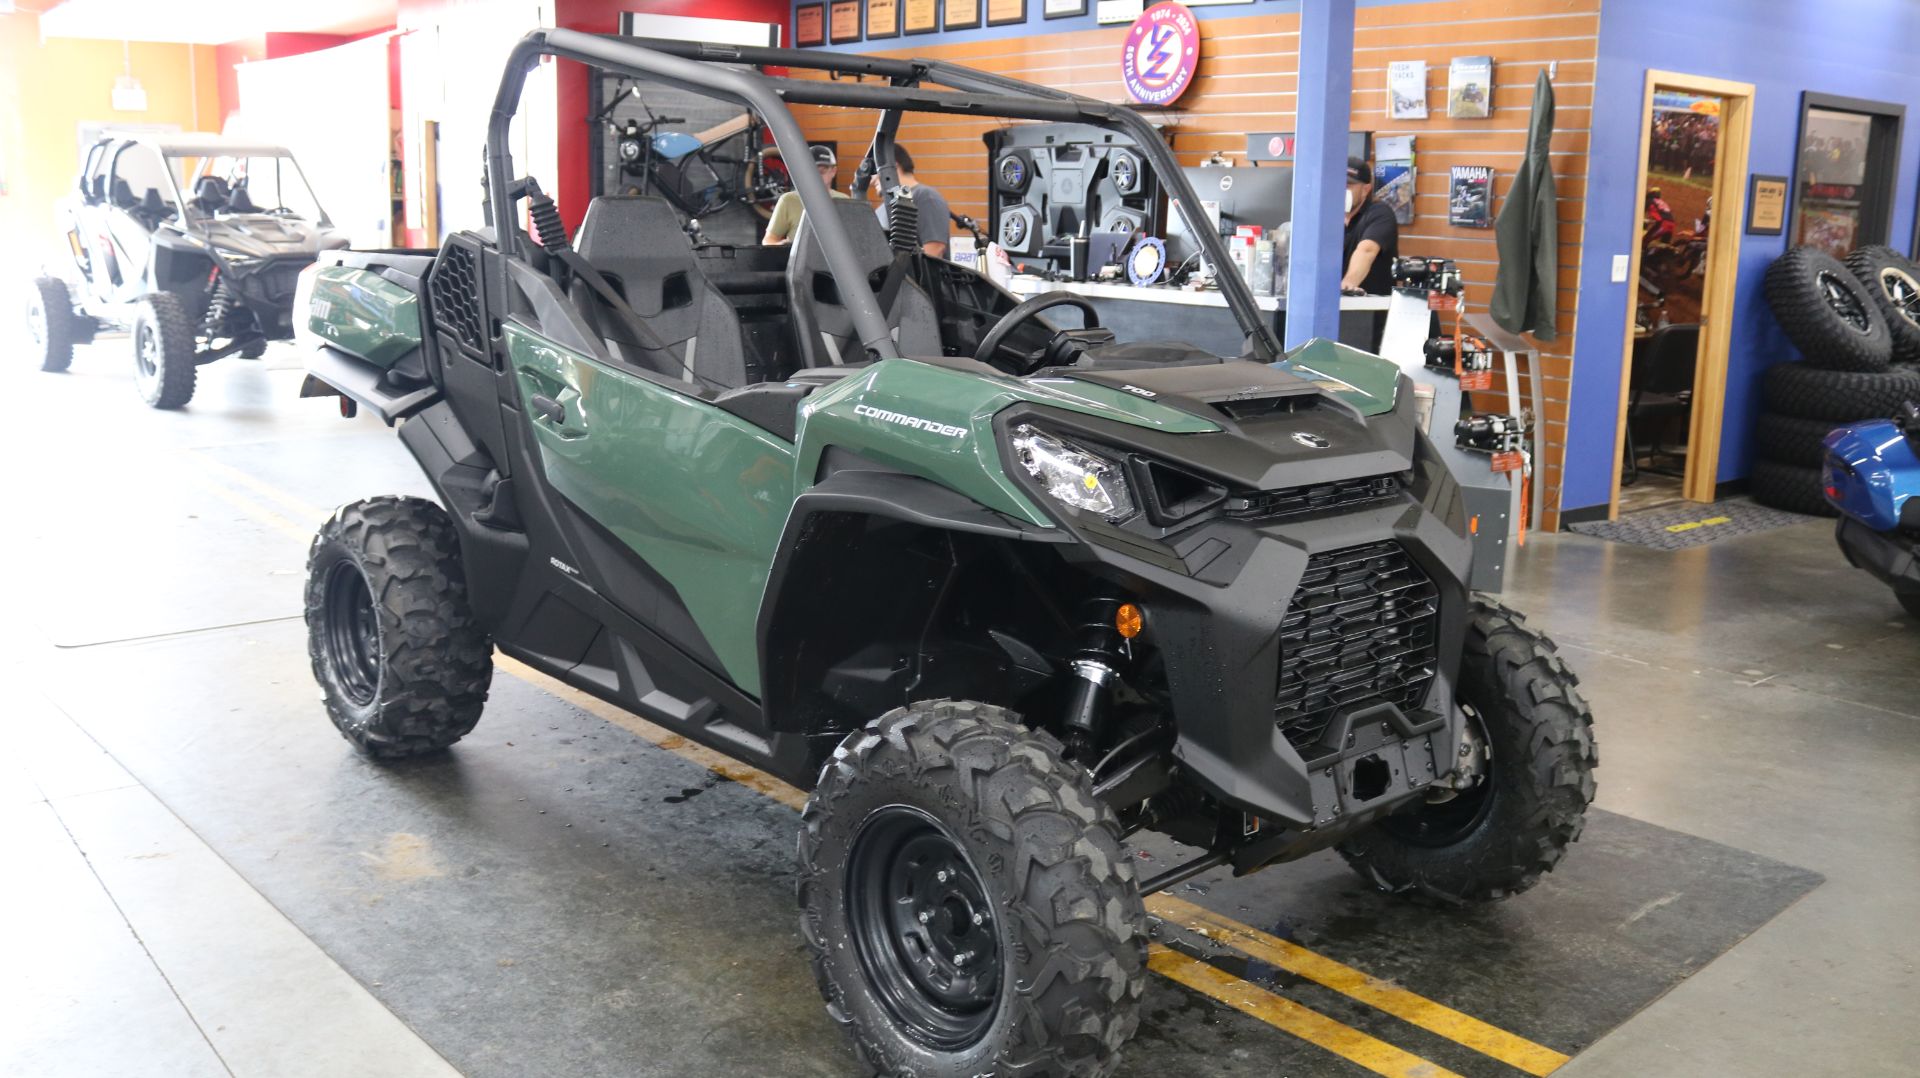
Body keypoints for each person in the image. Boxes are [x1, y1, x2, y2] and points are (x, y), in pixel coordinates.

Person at [870, 145, 950, 259]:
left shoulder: (925, 196)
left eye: (874, 171)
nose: (872, 180)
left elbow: (935, 249)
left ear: (892, 166)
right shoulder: (881, 209)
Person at [762, 144, 848, 245]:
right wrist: (781, 246)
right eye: (811, 171)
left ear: (833, 171)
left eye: (821, 172)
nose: (816, 176)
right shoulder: (788, 201)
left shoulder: (845, 201)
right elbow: (768, 240)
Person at [1340, 156, 1399, 295]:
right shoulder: (1327, 216)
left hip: (1370, 309)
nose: (1341, 190)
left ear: (1366, 189)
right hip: (1333, 307)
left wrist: (1347, 285)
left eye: (1348, 186)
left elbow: (1366, 251)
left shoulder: (1380, 213)